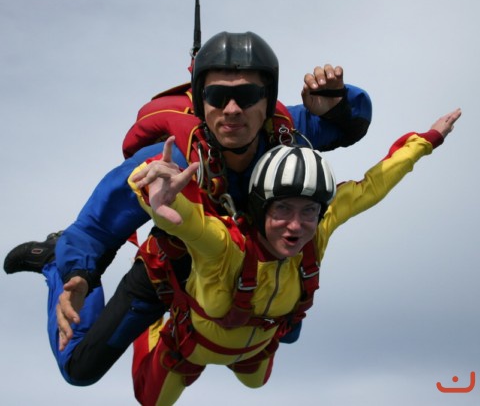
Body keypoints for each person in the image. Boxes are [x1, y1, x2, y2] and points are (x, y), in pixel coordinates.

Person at [3, 31, 372, 386]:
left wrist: (337, 105)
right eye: (216, 96)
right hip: (172, 268)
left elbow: (352, 122)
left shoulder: (286, 132)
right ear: (199, 101)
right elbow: (96, 227)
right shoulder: (168, 162)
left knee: (287, 329)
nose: (232, 110)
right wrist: (77, 274)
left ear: (267, 101)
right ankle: (53, 260)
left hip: (249, 267)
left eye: (247, 96)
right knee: (80, 368)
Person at [127, 108, 461, 406]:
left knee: (256, 383)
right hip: (189, 348)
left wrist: (427, 140)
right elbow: (188, 222)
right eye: (283, 209)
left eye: (308, 211)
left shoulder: (318, 231)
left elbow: (375, 185)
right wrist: (160, 195)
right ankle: (153, 326)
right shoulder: (226, 246)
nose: (296, 225)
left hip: (256, 350)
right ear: (260, 208)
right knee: (150, 401)